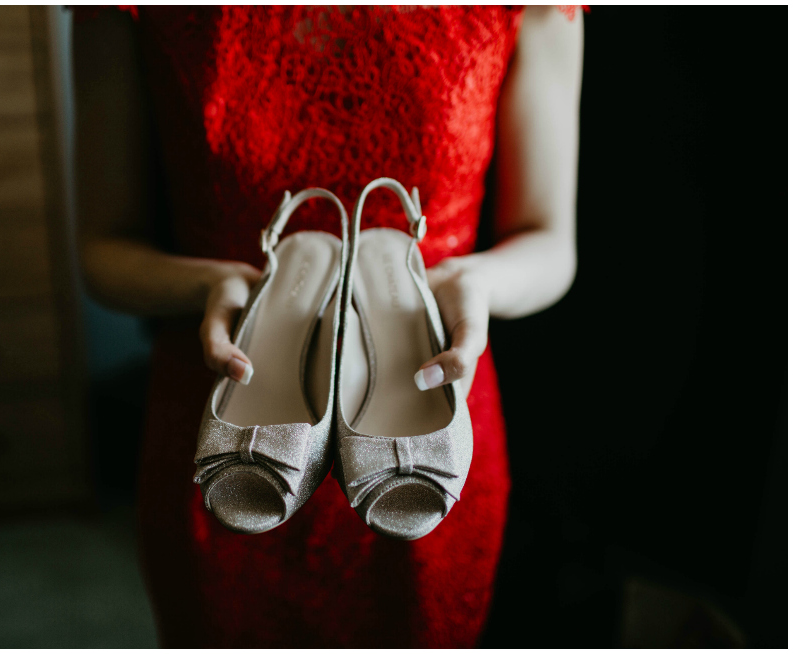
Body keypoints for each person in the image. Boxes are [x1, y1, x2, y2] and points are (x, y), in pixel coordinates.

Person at [73, 6, 582, 647]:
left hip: (425, 377)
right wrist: (209, 285)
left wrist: (474, 285)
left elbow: (549, 243)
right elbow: (103, 251)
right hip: (227, 375)